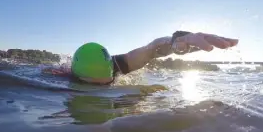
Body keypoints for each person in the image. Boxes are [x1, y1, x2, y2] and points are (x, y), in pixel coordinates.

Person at [44, 31, 238, 85]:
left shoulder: (114, 66)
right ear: (80, 78)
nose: (108, 86)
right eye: (100, 84)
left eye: (110, 81)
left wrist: (175, 41)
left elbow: (151, 49)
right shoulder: (57, 79)